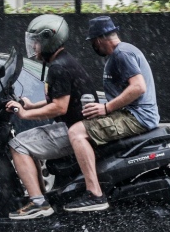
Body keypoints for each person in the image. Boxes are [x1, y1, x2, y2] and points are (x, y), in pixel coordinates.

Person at [63, 16, 160, 212]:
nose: (92, 46)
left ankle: (94, 194)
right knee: (85, 125)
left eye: (92, 42)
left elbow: (138, 87)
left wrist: (106, 109)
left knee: (76, 132)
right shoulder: (122, 52)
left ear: (98, 40)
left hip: (136, 116)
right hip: (132, 113)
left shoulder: (121, 55)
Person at [5, 14, 96, 220]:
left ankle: (38, 202)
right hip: (76, 125)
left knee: (17, 145)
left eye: (36, 42)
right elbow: (61, 99)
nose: (33, 47)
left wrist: (26, 114)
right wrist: (31, 104)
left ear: (48, 40)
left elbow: (60, 108)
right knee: (26, 143)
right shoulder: (63, 62)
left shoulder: (59, 67)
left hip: (73, 129)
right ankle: (41, 197)